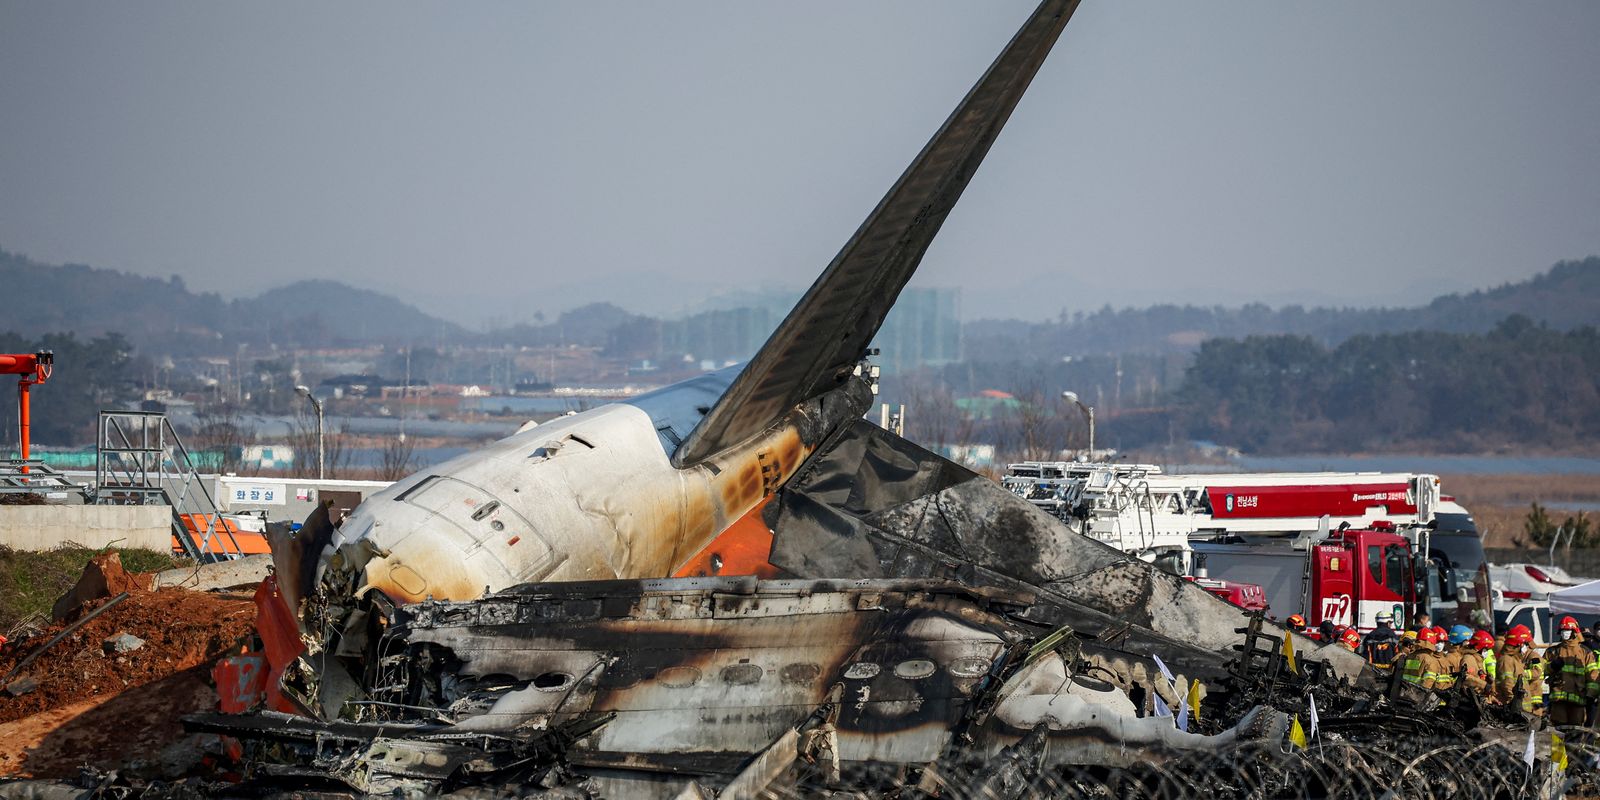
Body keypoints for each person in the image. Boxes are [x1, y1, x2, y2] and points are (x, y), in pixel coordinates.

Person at [1543, 616, 1598, 726]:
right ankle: (1557, 744)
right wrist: (1552, 667)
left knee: (1576, 728)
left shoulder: (1585, 652)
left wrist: (1591, 695)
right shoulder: (1553, 651)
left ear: (1574, 632)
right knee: (1558, 729)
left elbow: (1593, 675)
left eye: (1567, 630)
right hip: (1558, 699)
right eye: (1563, 630)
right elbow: (1541, 671)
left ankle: (1574, 744)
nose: (1565, 633)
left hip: (1578, 700)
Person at [1496, 625, 1544, 717]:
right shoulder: (1507, 660)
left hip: (1524, 708)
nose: (1526, 647)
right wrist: (1513, 705)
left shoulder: (1524, 658)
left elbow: (1537, 672)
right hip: (1517, 710)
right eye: (1525, 644)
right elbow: (1507, 684)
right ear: (1519, 644)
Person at [1464, 629, 1497, 698]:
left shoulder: (1479, 661)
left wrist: (1491, 698)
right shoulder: (1469, 659)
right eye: (1486, 650)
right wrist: (1484, 685)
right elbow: (1466, 677)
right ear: (1479, 648)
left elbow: (1479, 679)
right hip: (1471, 702)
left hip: (1480, 701)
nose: (1487, 653)